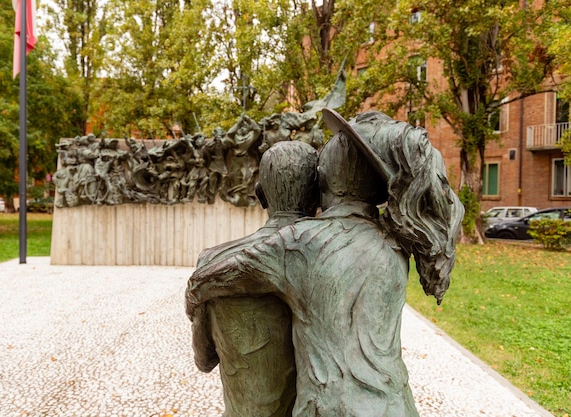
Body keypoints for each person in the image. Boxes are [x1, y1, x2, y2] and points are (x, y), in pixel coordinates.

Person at [186, 109, 464, 416]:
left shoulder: (302, 242)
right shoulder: (395, 242)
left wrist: (194, 293)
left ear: (338, 169)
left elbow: (213, 276)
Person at [189, 140, 319, 417]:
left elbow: (204, 359)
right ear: (319, 197)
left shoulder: (211, 262)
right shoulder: (341, 262)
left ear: (260, 195)